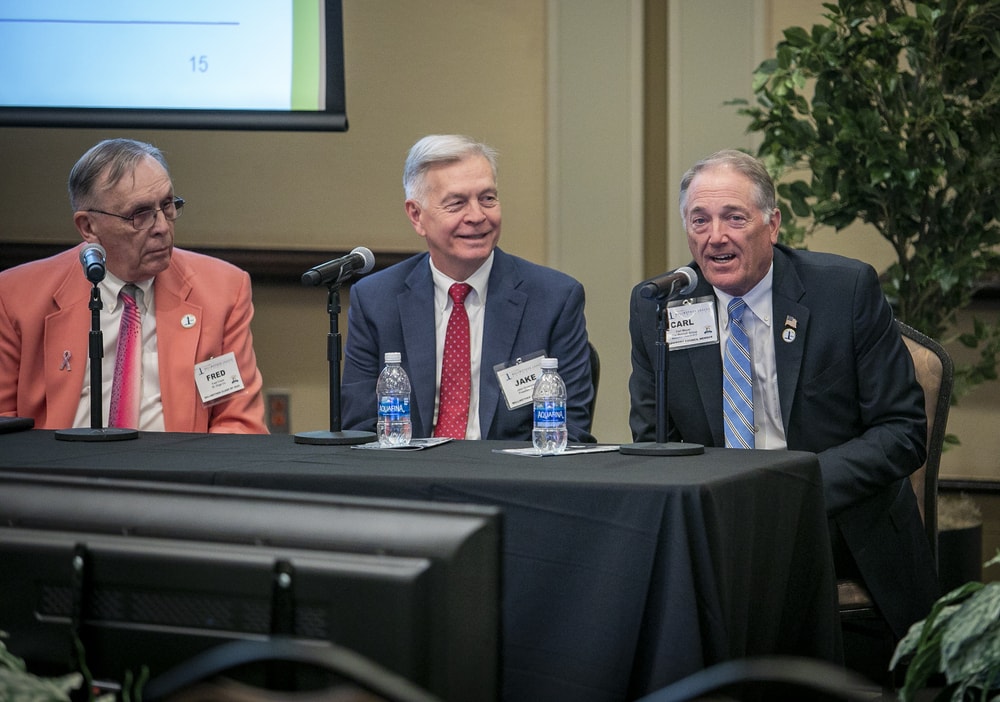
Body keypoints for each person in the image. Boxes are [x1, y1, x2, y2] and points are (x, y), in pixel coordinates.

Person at [628, 150, 938, 647]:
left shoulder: (844, 290)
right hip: (719, 524)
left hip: (832, 518)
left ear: (772, 225)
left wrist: (788, 489)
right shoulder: (662, 307)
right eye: (699, 220)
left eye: (734, 218)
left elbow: (901, 433)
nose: (716, 237)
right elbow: (655, 443)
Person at [0, 138, 267, 433]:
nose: (163, 227)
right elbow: (6, 426)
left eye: (167, 206)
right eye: (139, 215)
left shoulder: (223, 290)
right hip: (60, 472)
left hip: (174, 473)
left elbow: (239, 423)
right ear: (88, 227)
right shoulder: (15, 297)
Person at [341, 134, 594, 441]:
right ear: (416, 215)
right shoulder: (376, 300)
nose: (477, 216)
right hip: (407, 480)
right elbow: (360, 428)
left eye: (488, 198)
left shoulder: (555, 299)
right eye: (457, 203)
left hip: (509, 480)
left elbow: (571, 431)